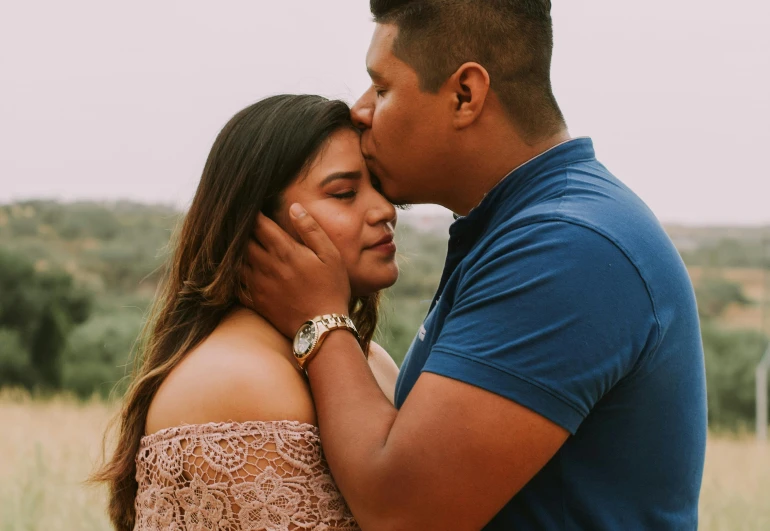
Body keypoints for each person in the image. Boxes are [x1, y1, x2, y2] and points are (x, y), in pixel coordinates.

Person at [242, 1, 708, 530]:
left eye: (383, 87)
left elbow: (403, 514)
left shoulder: (565, 248)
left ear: (465, 94)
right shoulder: (527, 228)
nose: (361, 109)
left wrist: (320, 321)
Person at [93, 94, 401, 531]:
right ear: (259, 226)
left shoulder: (370, 361)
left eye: (382, 188)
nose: (385, 210)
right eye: (345, 193)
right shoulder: (240, 380)